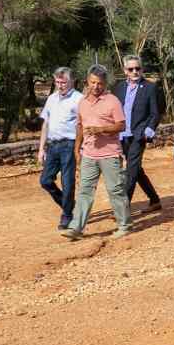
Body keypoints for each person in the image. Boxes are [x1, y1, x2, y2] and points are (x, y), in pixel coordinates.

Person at [61, 65, 131, 240]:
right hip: (89, 155)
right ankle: (76, 227)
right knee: (84, 191)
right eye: (93, 82)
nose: (96, 86)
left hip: (110, 154)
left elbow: (121, 125)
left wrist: (101, 129)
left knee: (115, 190)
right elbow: (80, 127)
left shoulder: (112, 101)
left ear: (104, 83)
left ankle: (124, 225)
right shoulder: (82, 103)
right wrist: (77, 149)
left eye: (99, 83)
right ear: (87, 81)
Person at [113, 55, 163, 213]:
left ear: (141, 69)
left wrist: (148, 132)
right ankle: (154, 200)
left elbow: (155, 113)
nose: (135, 71)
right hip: (121, 135)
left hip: (138, 135)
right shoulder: (119, 87)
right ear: (125, 71)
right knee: (136, 170)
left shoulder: (149, 87)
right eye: (131, 69)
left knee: (131, 170)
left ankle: (123, 208)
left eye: (137, 68)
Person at [37, 67, 81, 230]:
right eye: (57, 82)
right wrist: (41, 149)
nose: (60, 85)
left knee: (67, 181)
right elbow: (45, 124)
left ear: (71, 82)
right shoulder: (52, 99)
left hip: (69, 145)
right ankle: (68, 204)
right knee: (45, 181)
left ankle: (67, 214)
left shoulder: (78, 99)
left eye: (63, 82)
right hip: (53, 146)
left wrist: (79, 147)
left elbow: (81, 126)